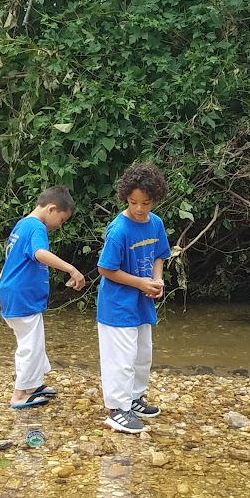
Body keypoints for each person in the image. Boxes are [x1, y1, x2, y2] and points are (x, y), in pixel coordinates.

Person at [0, 186, 88, 409]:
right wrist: (71, 269)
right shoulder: (36, 227)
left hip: (12, 292)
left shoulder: (23, 224)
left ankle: (33, 385)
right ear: (52, 208)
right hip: (21, 296)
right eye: (62, 220)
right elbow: (40, 253)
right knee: (30, 345)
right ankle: (19, 395)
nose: (60, 225)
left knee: (35, 340)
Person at [96, 163, 171, 434]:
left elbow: (160, 255)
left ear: (155, 199)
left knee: (142, 355)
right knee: (121, 358)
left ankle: (135, 399)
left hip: (142, 303)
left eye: (146, 203)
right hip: (117, 305)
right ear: (125, 198)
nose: (140, 208)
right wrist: (140, 282)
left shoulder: (156, 223)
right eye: (133, 202)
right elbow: (105, 268)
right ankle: (117, 409)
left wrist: (157, 280)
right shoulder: (119, 230)